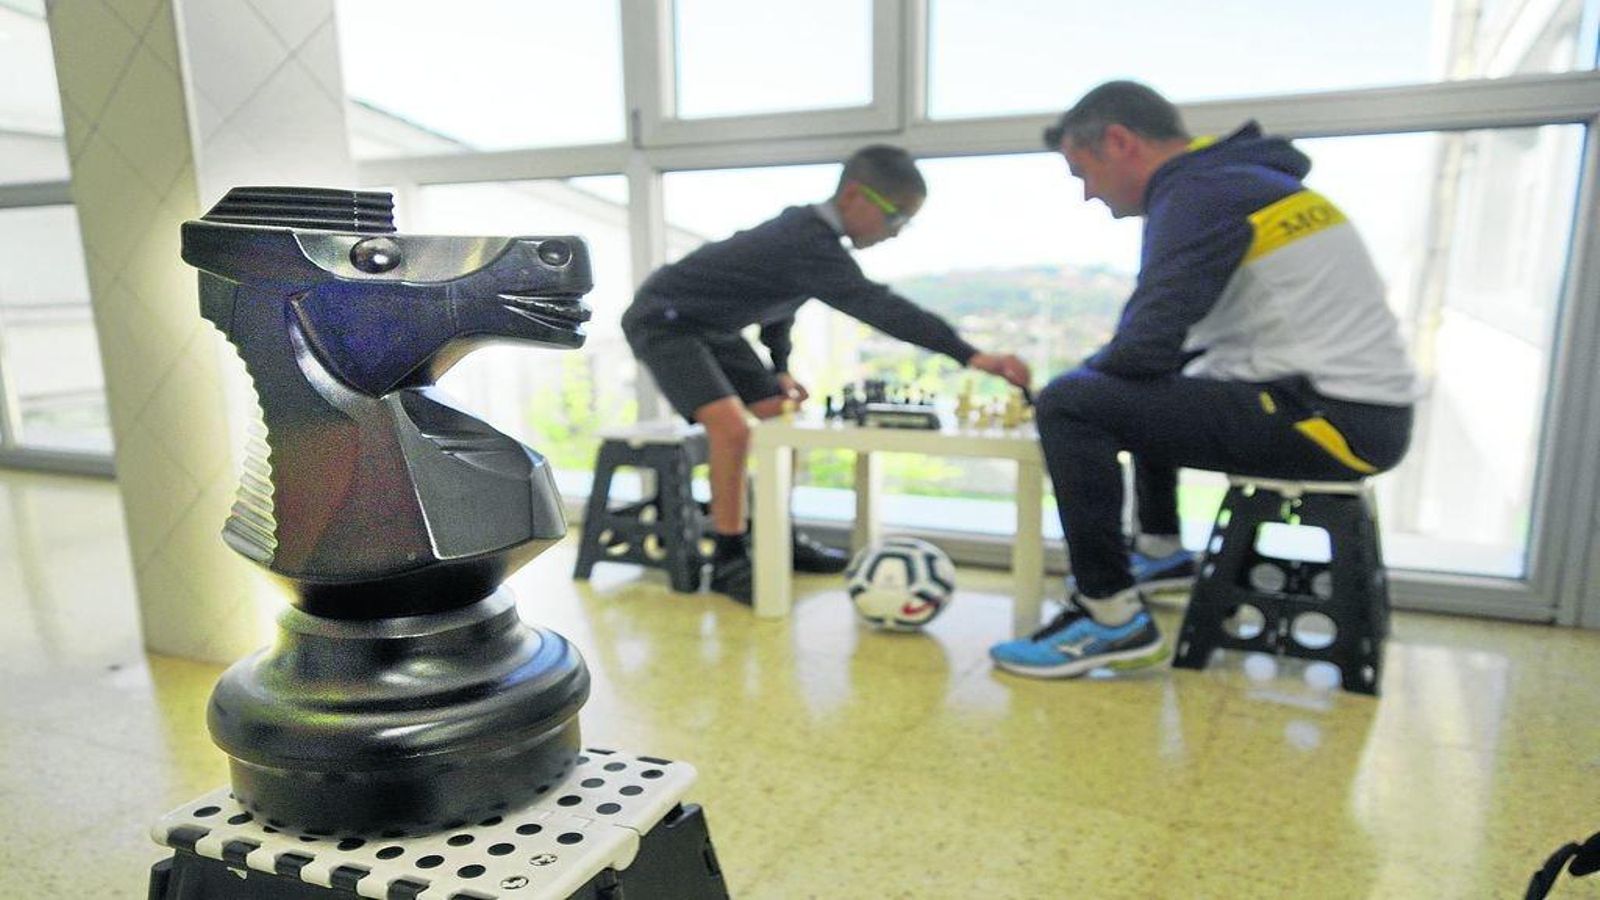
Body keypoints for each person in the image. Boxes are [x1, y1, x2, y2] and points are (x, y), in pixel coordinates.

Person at [989, 81, 1420, 678]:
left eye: (1081, 172)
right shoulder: (1240, 180)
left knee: (1069, 404)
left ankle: (1110, 616)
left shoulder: (1200, 191)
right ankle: (1161, 554)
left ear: (1119, 142)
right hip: (1359, 414)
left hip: (1334, 422)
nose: (1087, 194)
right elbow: (1163, 352)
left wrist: (1071, 383)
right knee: (1140, 385)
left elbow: (1143, 346)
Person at [623, 145, 1031, 605]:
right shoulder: (806, 239)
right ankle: (729, 557)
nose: (894, 233)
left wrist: (779, 370)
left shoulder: (810, 244)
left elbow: (780, 308)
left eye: (904, 223)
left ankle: (777, 536)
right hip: (664, 319)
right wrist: (969, 354)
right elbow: (877, 305)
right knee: (732, 431)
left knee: (780, 417)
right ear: (856, 196)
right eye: (894, 218)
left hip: (712, 326)